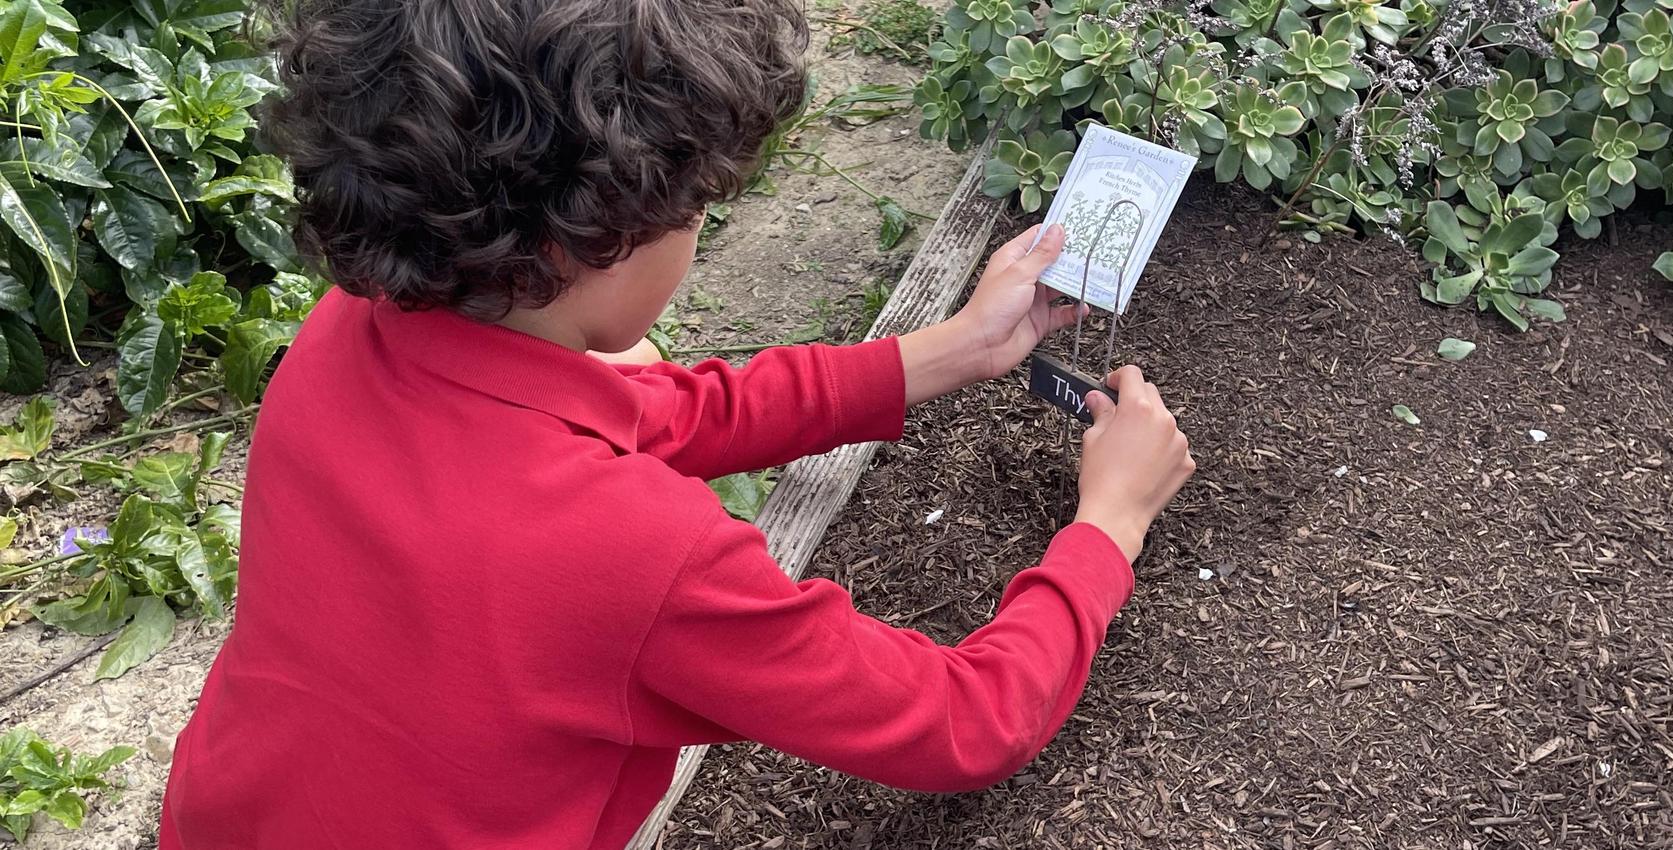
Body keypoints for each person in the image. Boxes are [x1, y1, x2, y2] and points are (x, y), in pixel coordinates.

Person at [157, 0, 1195, 846]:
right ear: (592, 241)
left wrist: (950, 348)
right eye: (700, 210)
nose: (703, 225)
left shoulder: (347, 336)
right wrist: (1107, 526)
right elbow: (960, 722)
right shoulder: (638, 557)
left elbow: (652, 415)